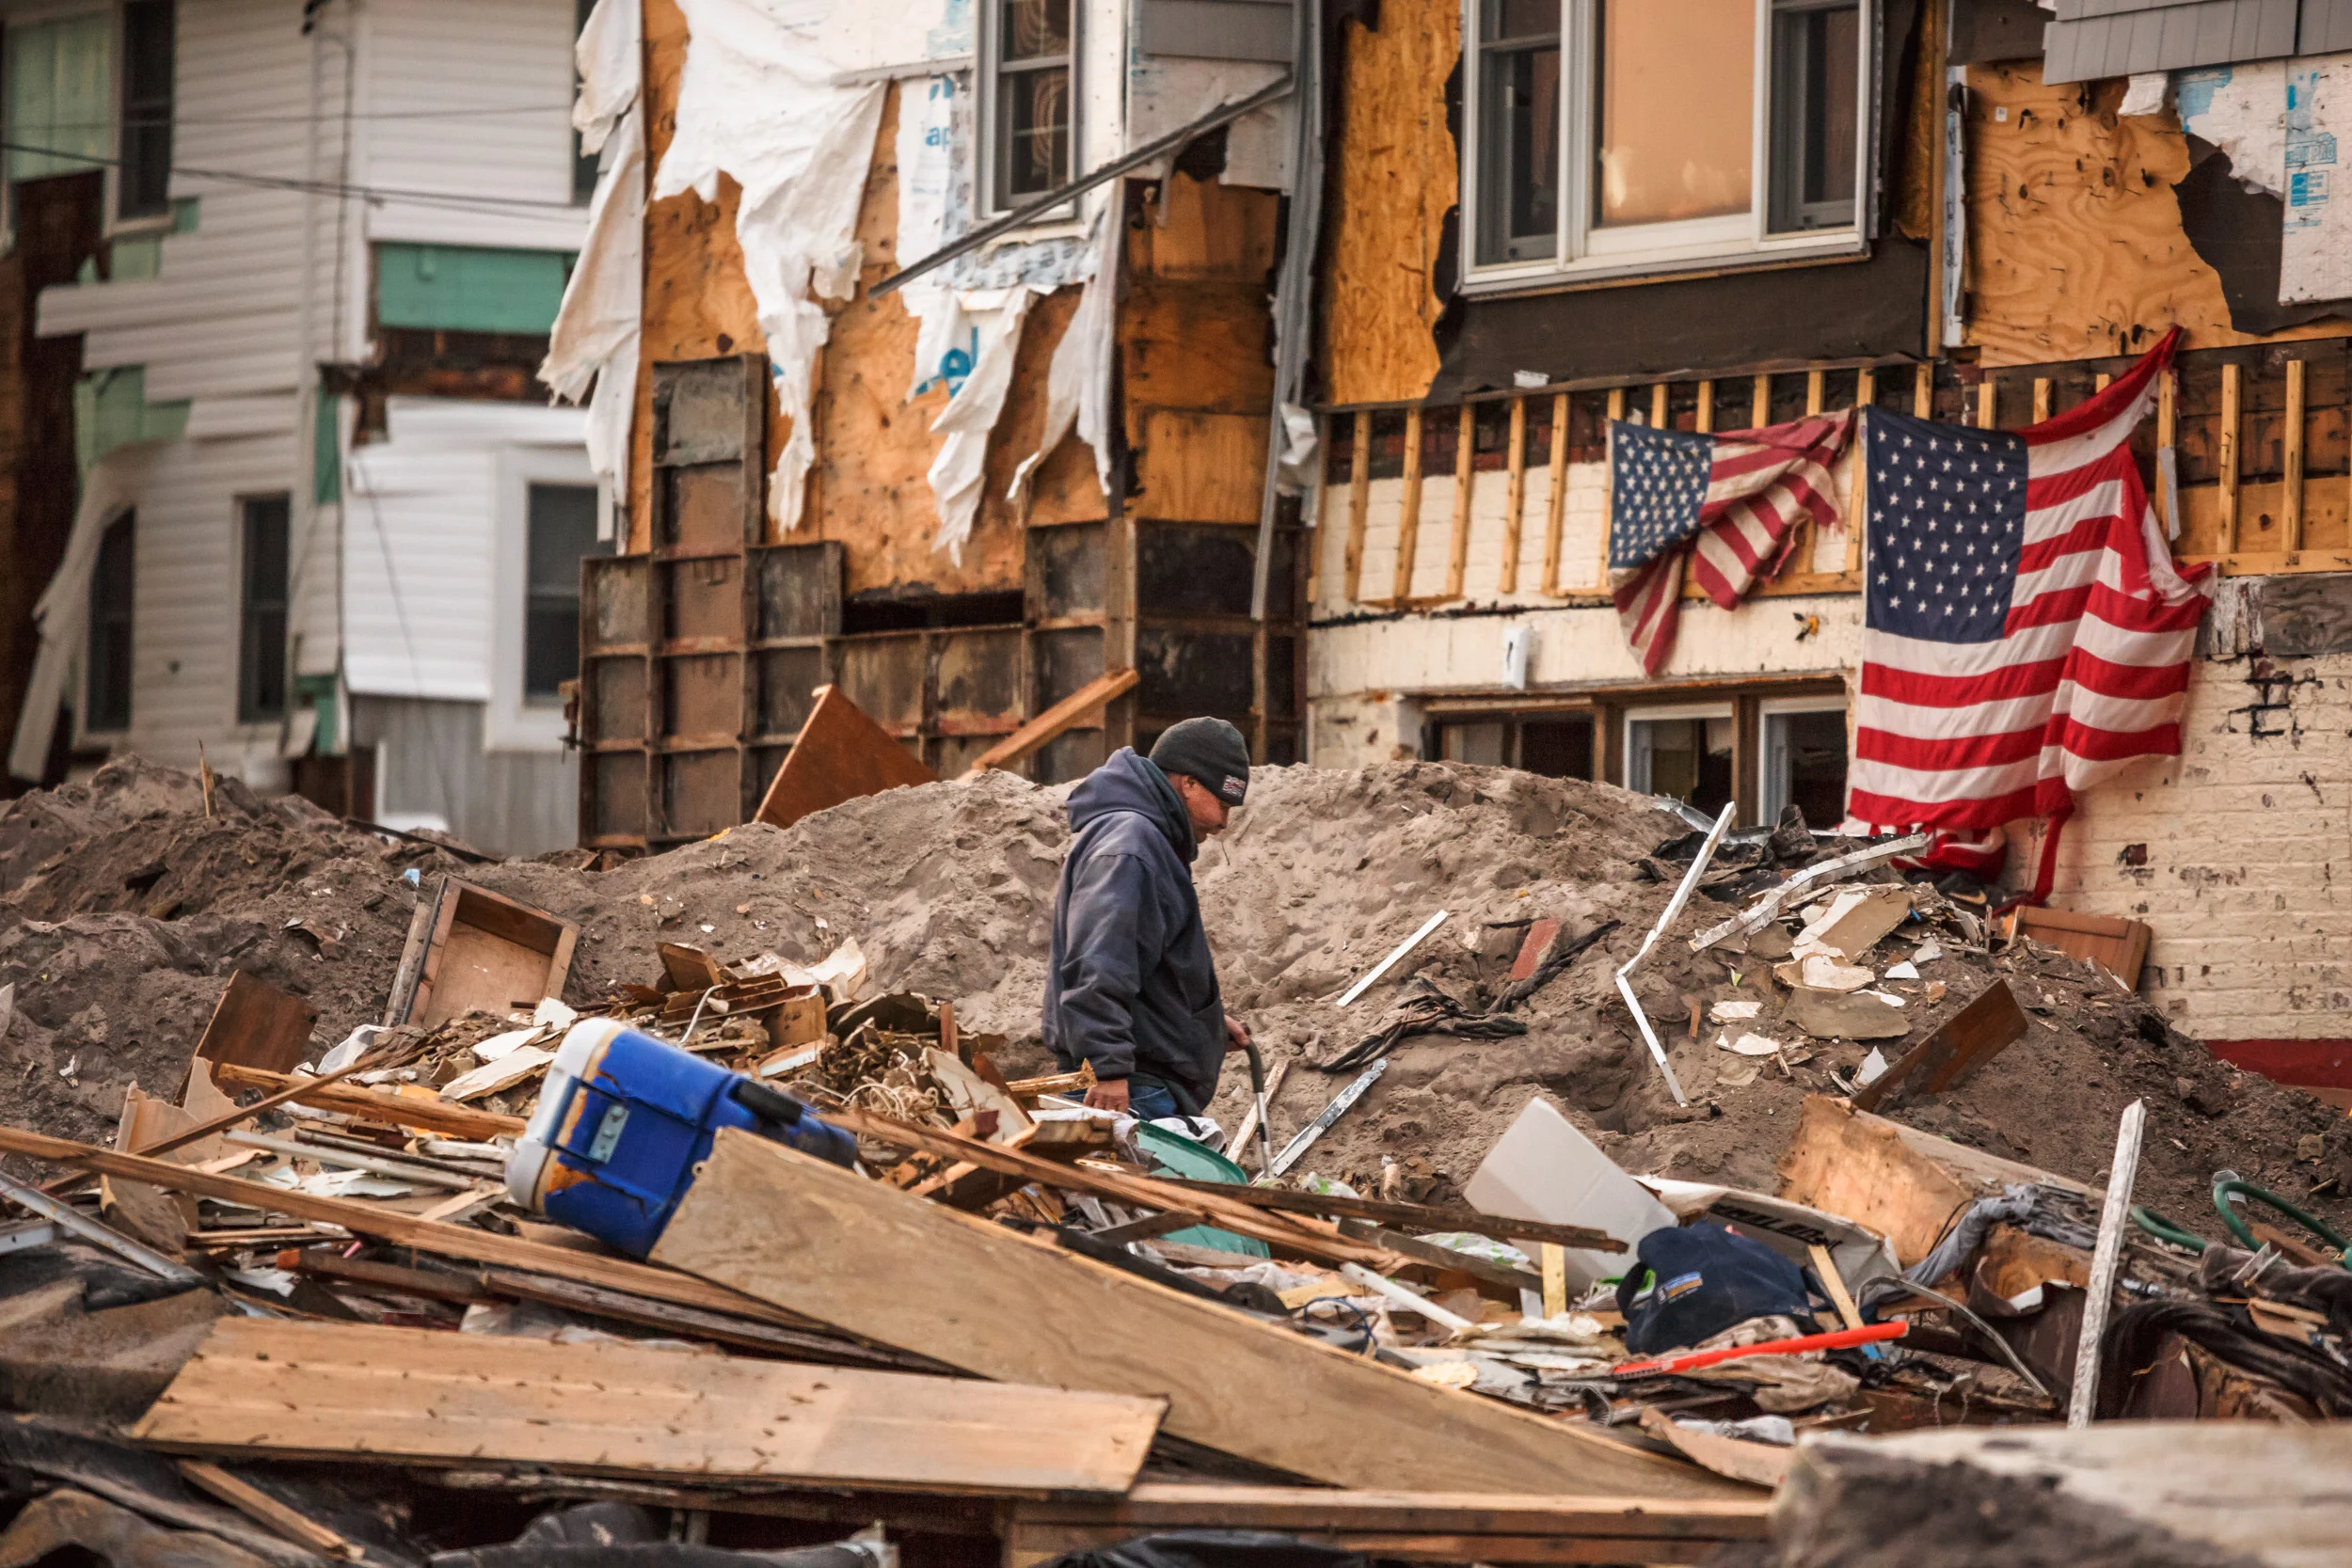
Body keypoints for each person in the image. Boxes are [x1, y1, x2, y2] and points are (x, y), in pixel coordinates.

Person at [1042, 717, 1253, 1121]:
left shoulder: (1142, 840)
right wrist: (1108, 1067)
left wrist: (1198, 1024)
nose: (1223, 822)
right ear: (1188, 784)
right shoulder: (1132, 848)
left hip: (1138, 1077)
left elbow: (1141, 960)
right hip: (1130, 1087)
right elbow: (1098, 963)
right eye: (1223, 805)